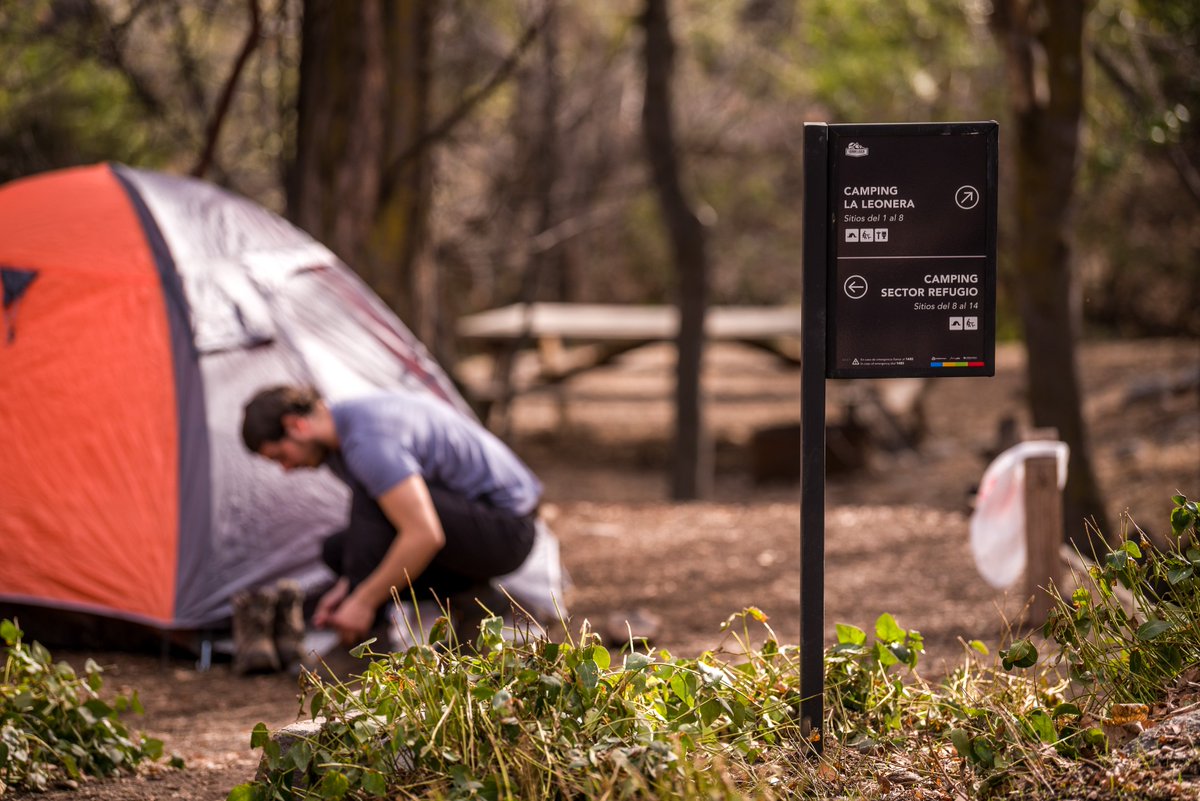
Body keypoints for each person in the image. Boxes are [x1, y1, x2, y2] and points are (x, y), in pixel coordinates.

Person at [241, 385, 542, 646]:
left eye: (280, 456)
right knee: (337, 550)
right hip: (475, 524)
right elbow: (375, 527)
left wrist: (363, 601)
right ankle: (476, 602)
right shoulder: (338, 439)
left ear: (296, 426)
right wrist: (350, 584)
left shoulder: (367, 440)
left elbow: (425, 533)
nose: (286, 468)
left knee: (377, 500)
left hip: (508, 532)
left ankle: (375, 635)